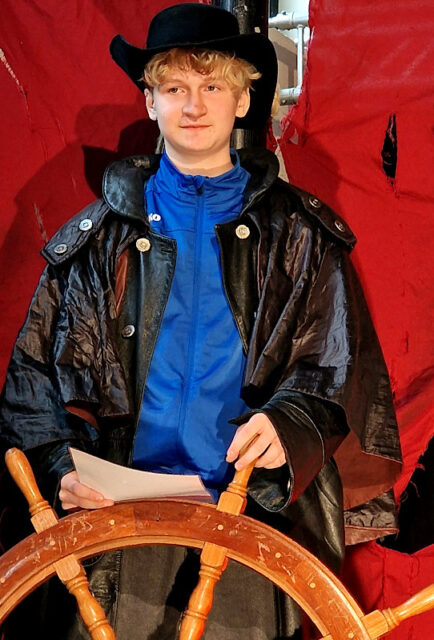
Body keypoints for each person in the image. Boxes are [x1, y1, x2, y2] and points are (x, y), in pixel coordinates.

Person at [0, 3, 402, 639]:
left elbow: (334, 371)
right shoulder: (94, 242)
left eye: (213, 86)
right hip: (114, 531)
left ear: (242, 101)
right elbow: (32, 385)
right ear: (150, 101)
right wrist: (58, 471)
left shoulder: (301, 237)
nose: (194, 105)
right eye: (175, 88)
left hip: (247, 527)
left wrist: (289, 424)